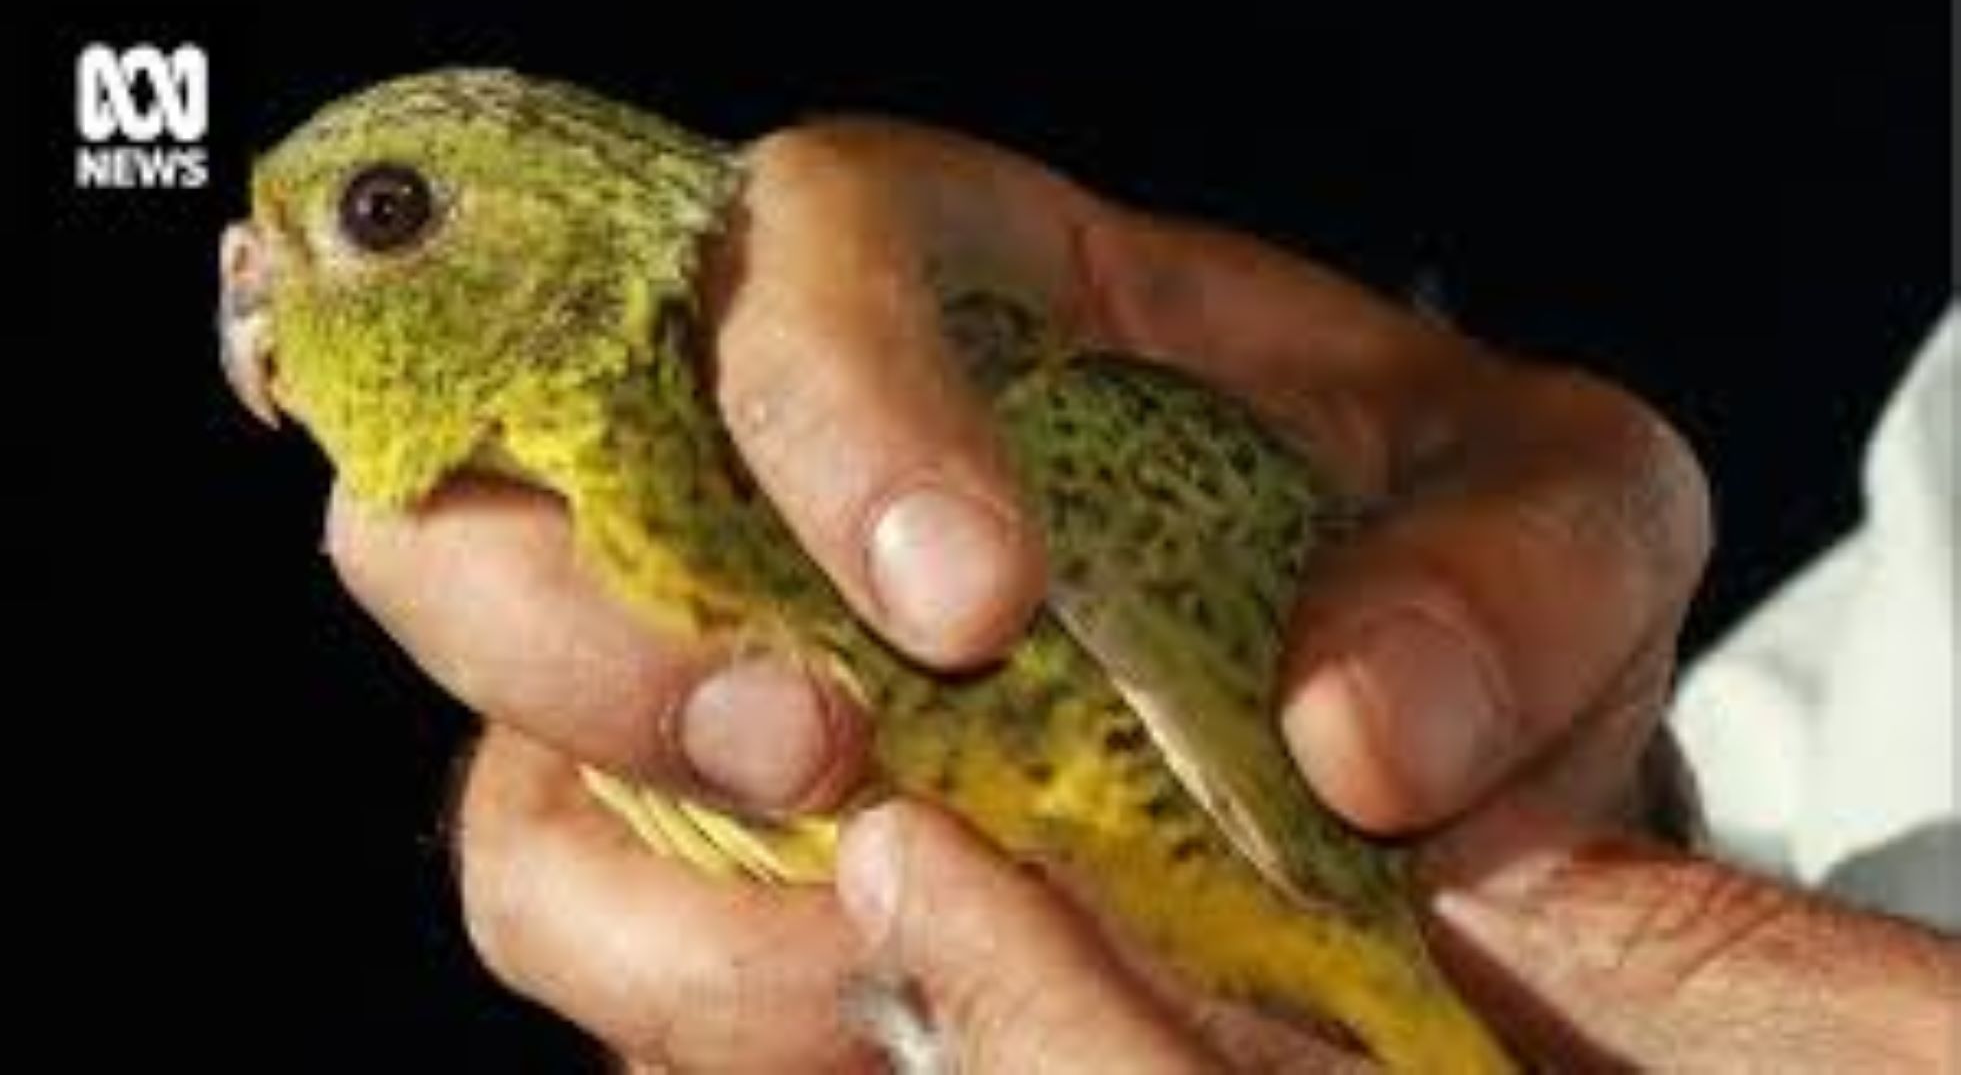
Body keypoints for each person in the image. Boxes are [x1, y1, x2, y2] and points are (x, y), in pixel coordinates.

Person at [324, 121, 1958, 1070]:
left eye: (375, 217)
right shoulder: (657, 681)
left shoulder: (1055, 469)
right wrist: (1612, 789)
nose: (256, 283)